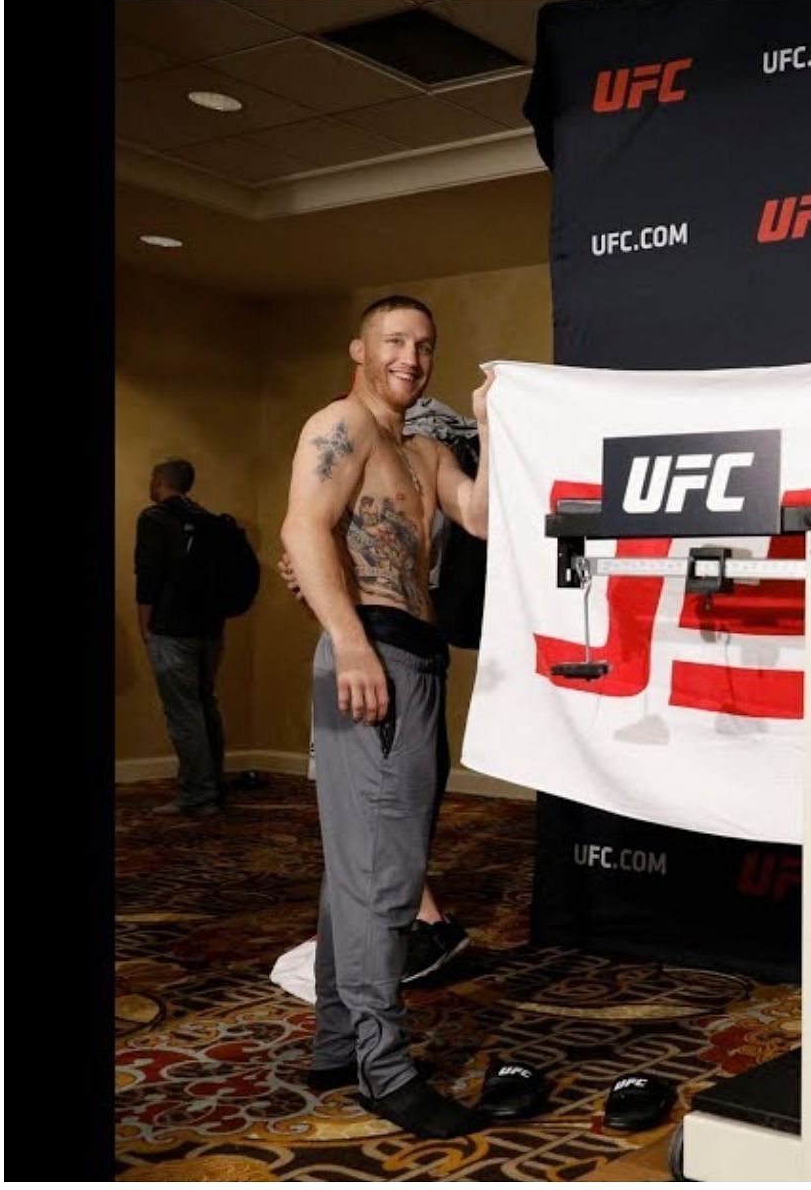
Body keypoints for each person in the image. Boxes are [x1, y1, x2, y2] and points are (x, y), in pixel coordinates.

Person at [278, 294, 492, 1137]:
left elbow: (479, 515)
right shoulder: (342, 424)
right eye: (395, 341)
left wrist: (493, 423)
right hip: (372, 653)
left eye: (426, 345)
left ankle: (337, 1042)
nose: (412, 356)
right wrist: (351, 642)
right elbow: (304, 528)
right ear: (359, 348)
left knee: (359, 867)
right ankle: (384, 1066)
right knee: (384, 878)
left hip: (417, 660)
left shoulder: (422, 450)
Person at [135, 458, 229, 818]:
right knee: (205, 704)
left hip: (171, 627)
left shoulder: (153, 519)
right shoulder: (208, 520)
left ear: (160, 481)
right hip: (210, 628)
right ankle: (214, 785)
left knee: (183, 712)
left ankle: (197, 794)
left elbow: (148, 575)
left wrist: (146, 624)